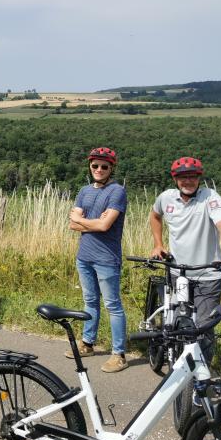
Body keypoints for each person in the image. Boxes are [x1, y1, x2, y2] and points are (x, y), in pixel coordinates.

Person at [150, 156, 221, 363]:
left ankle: (201, 375)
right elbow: (155, 216)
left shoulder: (210, 197)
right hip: (177, 272)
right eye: (182, 177)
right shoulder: (166, 198)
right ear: (175, 179)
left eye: (192, 176)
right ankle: (176, 359)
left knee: (203, 327)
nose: (188, 181)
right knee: (174, 320)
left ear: (199, 178)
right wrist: (158, 244)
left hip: (207, 276)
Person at [67, 147, 128, 373]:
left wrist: (83, 220)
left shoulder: (117, 191)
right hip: (84, 256)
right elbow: (72, 224)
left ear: (111, 168)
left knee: (113, 305)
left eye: (104, 166)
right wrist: (91, 222)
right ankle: (88, 344)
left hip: (106, 258)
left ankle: (119, 355)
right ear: (90, 166)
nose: (99, 170)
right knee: (90, 301)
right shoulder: (84, 190)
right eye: (95, 166)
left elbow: (105, 225)